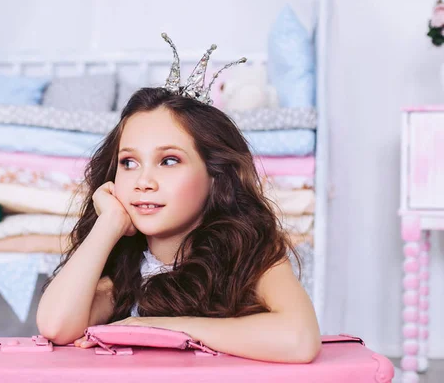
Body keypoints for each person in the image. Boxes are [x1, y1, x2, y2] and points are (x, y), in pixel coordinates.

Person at [36, 34, 321, 363]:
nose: (143, 181)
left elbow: (299, 339)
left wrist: (157, 328)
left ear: (215, 175)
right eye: (129, 163)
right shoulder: (124, 272)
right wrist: (109, 223)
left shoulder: (251, 255)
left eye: (169, 160)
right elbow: (56, 326)